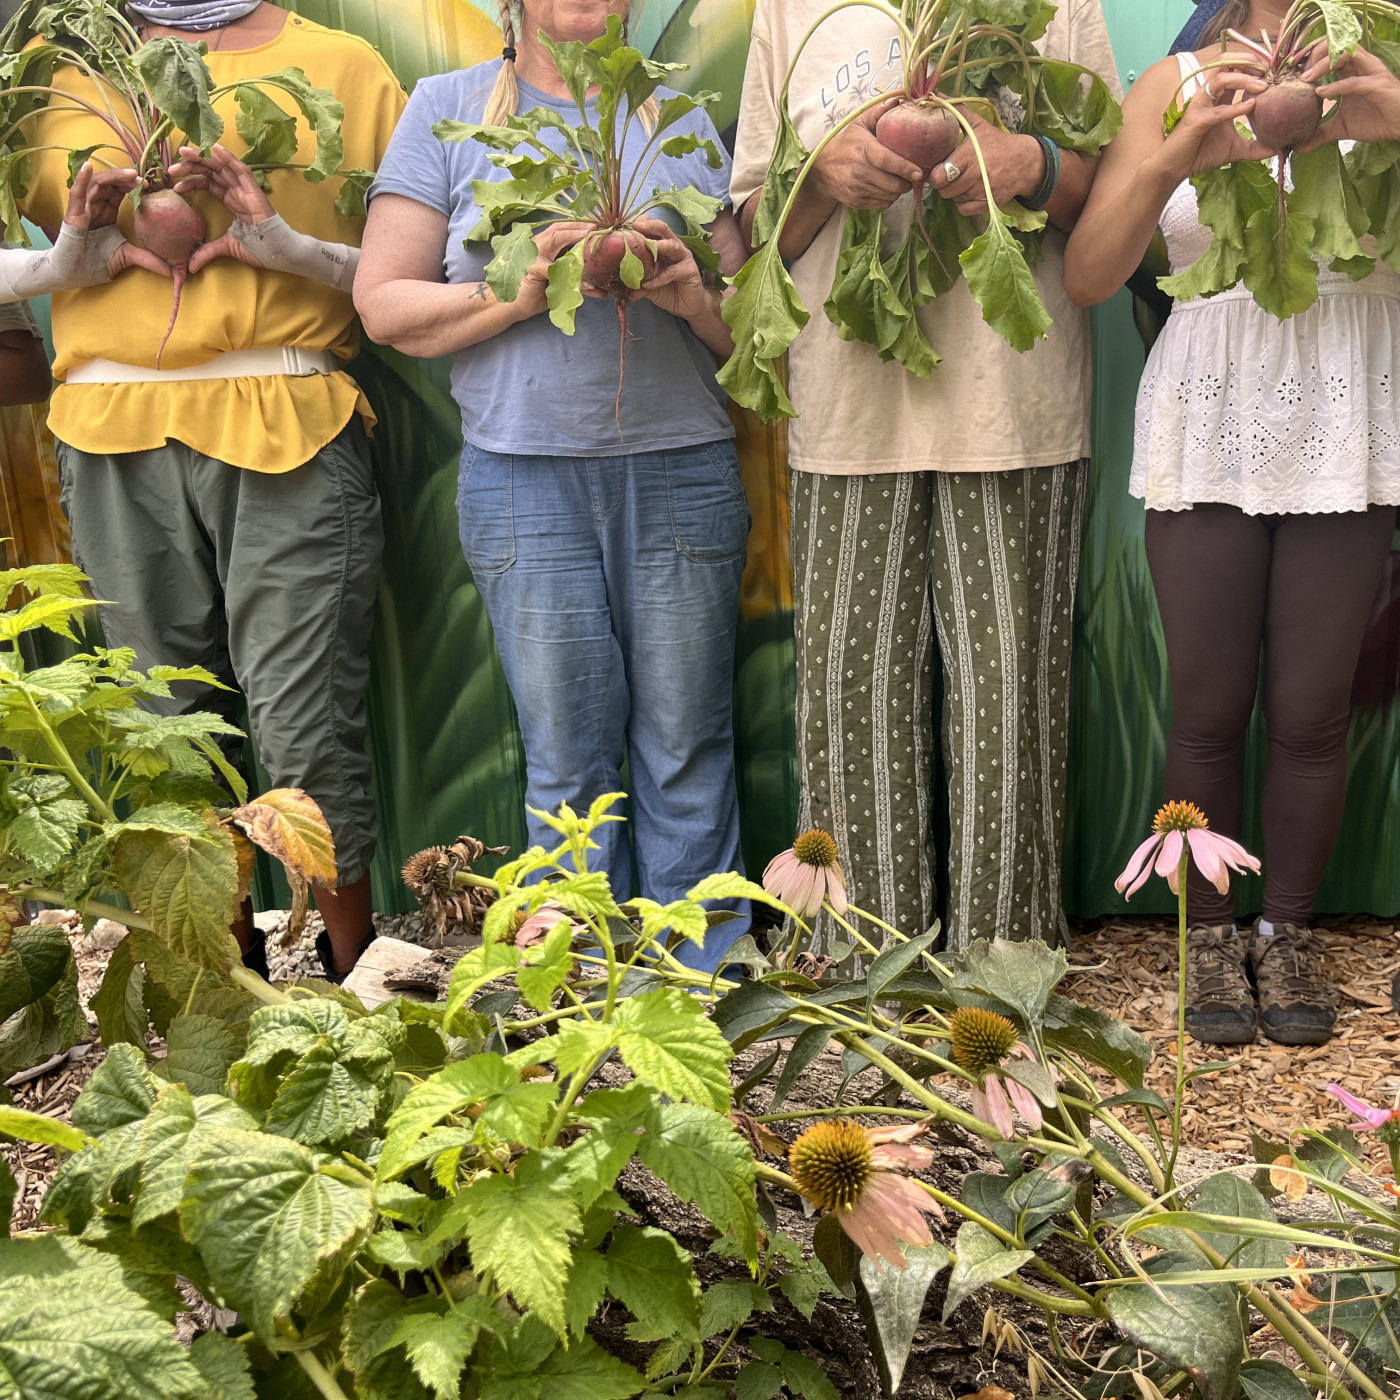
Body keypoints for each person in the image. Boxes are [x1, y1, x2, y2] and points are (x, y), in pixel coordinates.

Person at [355, 0, 754, 974]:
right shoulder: (446, 108)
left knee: (686, 738)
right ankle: (580, 974)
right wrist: (519, 288)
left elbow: (754, 328)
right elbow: (383, 304)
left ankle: (701, 971)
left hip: (680, 468)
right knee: (565, 747)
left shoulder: (674, 117)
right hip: (521, 479)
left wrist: (690, 293)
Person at [17, 0, 406, 982]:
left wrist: (287, 246)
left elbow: (420, 267)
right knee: (164, 729)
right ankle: (223, 981)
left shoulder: (343, 67)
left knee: (304, 717)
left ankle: (357, 979)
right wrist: (62, 261)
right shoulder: (50, 76)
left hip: (287, 410)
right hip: (110, 429)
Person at [730, 0, 1121, 954]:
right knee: (850, 702)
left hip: (1012, 408)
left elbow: (1111, 195)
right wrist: (820, 174)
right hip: (849, 412)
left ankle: (1005, 967)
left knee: (1008, 705)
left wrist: (1037, 164)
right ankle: (861, 962)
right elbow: (751, 229)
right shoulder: (793, 11)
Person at [1064, 6, 1400, 1046]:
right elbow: (1087, 273)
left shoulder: (1384, 59)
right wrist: (1176, 155)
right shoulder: (1171, 82)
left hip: (1346, 408)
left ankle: (1286, 930)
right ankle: (1207, 936)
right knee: (1205, 708)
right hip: (1208, 407)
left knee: (1312, 711)